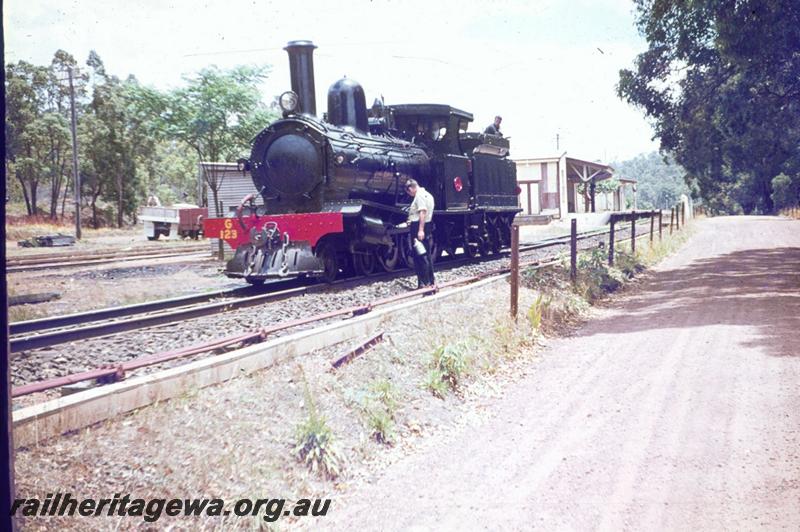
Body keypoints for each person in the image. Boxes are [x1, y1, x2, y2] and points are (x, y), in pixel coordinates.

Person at [405, 179, 435, 288]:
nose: (410, 194)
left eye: (409, 192)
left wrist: (420, 230)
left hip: (419, 227)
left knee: (420, 256)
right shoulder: (428, 194)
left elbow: (422, 212)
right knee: (426, 254)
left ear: (411, 188)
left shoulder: (419, 195)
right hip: (424, 225)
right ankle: (430, 281)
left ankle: (424, 283)